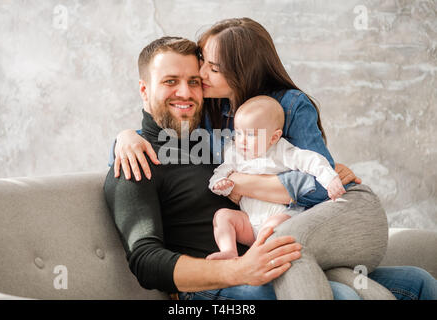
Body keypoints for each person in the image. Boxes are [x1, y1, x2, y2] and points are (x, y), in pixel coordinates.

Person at [107, 18, 437, 300]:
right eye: (169, 82)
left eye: (194, 81)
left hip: (279, 257)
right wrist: (238, 269)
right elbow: (146, 262)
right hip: (217, 284)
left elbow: (282, 159)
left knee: (418, 282)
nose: (186, 92)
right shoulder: (135, 161)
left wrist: (319, 174)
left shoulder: (211, 135)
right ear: (144, 90)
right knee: (345, 296)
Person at [207, 95, 345, 260]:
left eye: (250, 135)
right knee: (222, 216)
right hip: (250, 223)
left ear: (273, 137)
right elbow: (221, 171)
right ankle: (229, 252)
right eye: (238, 133)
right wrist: (219, 183)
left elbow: (312, 160)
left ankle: (252, 258)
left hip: (282, 217)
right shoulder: (235, 154)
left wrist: (330, 180)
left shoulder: (280, 152)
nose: (242, 141)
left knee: (273, 226)